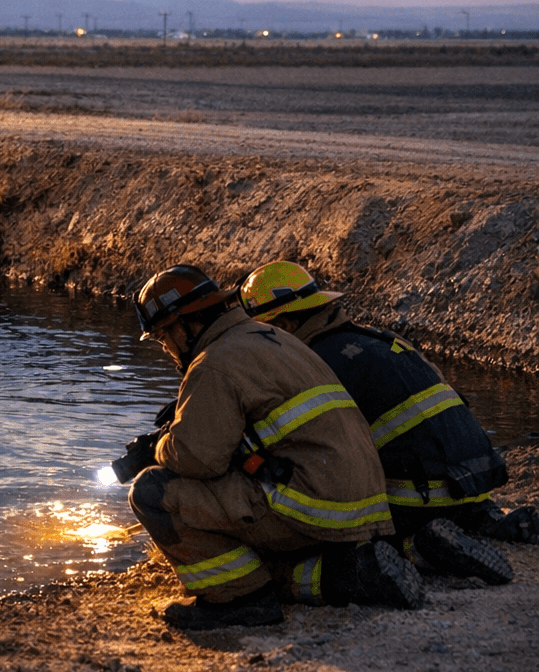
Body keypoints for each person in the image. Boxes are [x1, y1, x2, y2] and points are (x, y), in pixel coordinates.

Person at [127, 265, 421, 629]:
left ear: (183, 325)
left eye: (161, 337)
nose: (166, 349)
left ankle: (239, 600)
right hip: (365, 505)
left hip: (313, 505)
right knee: (254, 554)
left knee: (152, 490)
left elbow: (197, 459)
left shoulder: (212, 363)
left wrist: (157, 447)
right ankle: (347, 574)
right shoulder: (273, 336)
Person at [240, 260, 527, 582]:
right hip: (473, 482)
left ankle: (417, 546)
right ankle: (484, 521)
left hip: (417, 497)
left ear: (287, 324)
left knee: (318, 508)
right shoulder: (380, 339)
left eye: (263, 332)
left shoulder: (311, 365)